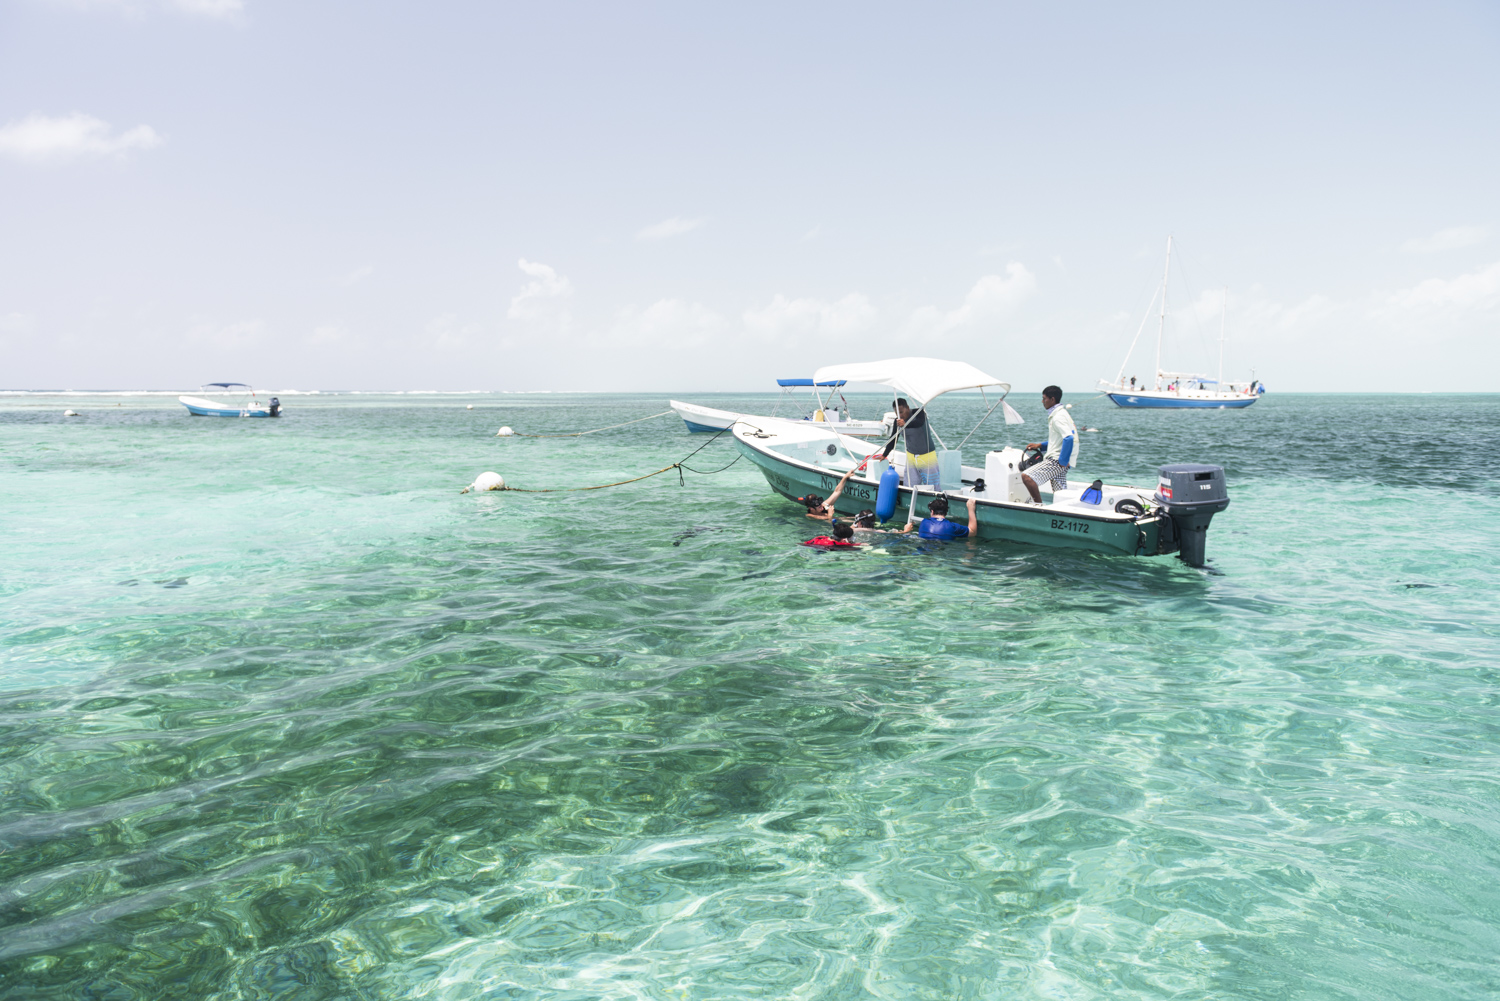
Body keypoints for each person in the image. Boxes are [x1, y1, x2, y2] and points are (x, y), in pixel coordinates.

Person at [1021, 385, 1077, 504]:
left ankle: (1038, 506)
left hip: (1057, 460)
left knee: (1027, 477)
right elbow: (1059, 441)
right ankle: (1064, 510)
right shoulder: (1062, 414)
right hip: (1062, 458)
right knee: (1060, 492)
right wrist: (1039, 446)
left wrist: (1062, 461)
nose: (1042, 401)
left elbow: (1068, 438)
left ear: (1052, 399)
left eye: (1044, 398)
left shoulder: (1058, 417)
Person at [875, 398, 938, 486]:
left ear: (907, 408)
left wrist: (905, 424)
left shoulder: (919, 413)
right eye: (897, 413)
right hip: (911, 457)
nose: (900, 416)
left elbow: (919, 423)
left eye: (901, 412)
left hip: (927, 456)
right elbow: (893, 439)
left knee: (933, 486)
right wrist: (884, 455)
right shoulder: (897, 421)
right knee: (909, 486)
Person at [901, 495, 978, 539]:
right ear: (946, 513)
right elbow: (973, 532)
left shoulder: (923, 523)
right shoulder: (953, 527)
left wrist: (906, 531)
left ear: (932, 512)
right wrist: (971, 509)